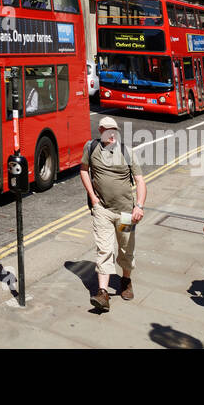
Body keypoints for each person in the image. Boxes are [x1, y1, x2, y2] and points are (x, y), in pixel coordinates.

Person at [78, 116, 146, 311]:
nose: (112, 133)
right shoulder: (90, 148)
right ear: (100, 130)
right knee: (104, 250)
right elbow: (83, 170)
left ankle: (125, 281)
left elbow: (140, 181)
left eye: (115, 130)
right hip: (103, 211)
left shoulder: (127, 152)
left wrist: (139, 206)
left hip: (126, 213)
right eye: (108, 130)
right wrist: (92, 196)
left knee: (125, 248)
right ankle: (103, 293)